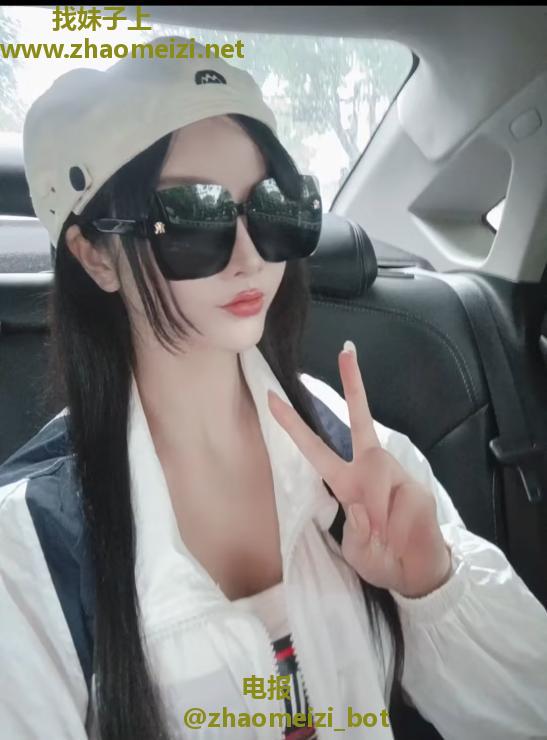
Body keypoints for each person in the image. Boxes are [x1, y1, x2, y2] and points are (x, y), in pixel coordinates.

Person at [0, 35, 546, 740]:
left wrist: (432, 585)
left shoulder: (353, 450)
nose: (251, 254)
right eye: (193, 215)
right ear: (96, 256)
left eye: (273, 206)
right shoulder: (31, 549)